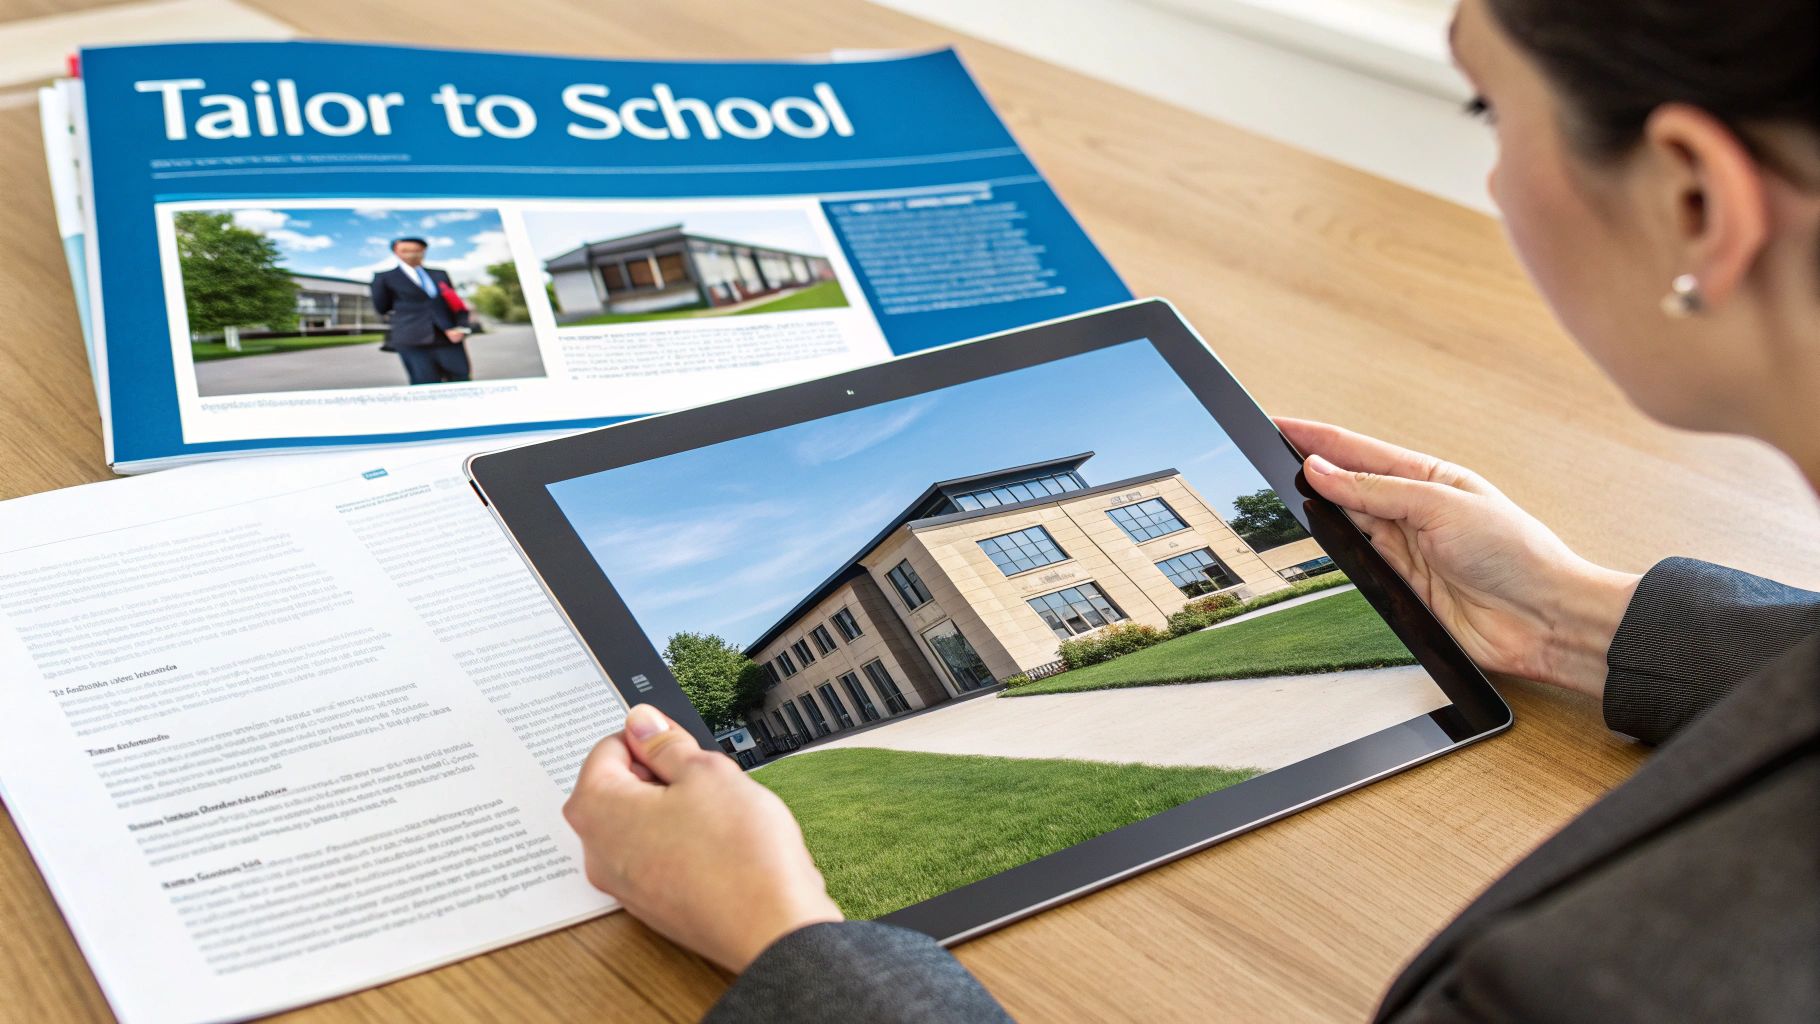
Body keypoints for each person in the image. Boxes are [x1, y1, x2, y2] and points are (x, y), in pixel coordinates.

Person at [561, 0, 1820, 1019]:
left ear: (1693, 200)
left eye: (1487, 109)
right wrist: (1568, 614)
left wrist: (785, 938)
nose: (1490, 180)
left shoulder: (1627, 976)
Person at [370, 236, 472, 385]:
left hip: (448, 337)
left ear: (424, 251)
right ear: (396, 252)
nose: (411, 254)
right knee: (424, 383)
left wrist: (462, 327)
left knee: (461, 380)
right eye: (405, 250)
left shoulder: (440, 274)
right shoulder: (384, 277)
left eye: (416, 250)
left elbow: (454, 303)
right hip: (412, 340)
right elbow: (382, 307)